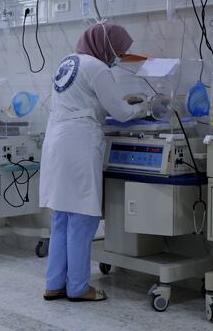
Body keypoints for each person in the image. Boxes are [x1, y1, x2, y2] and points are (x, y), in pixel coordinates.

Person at [40, 22, 146, 302]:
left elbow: (85, 99)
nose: (117, 58)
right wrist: (143, 106)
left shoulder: (69, 61)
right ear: (107, 45)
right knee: (82, 217)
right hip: (78, 142)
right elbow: (121, 113)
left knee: (61, 216)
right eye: (118, 52)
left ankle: (54, 283)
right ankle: (77, 287)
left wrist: (122, 102)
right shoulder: (97, 67)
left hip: (56, 141)